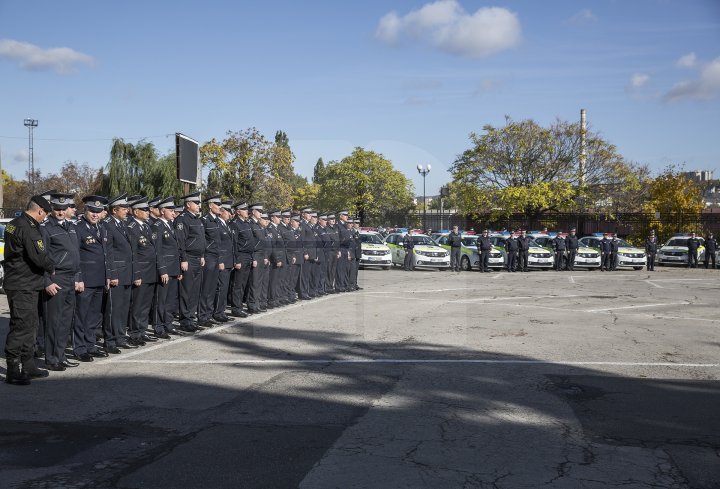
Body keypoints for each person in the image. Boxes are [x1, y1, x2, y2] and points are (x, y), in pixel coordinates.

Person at [3, 195, 55, 385]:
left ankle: (28, 365)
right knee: (21, 327)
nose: (45, 218)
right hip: (22, 284)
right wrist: (52, 266)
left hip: (24, 283)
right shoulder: (28, 227)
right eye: (45, 215)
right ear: (40, 210)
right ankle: (13, 370)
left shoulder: (14, 223)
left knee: (30, 325)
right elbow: (39, 257)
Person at [41, 192, 83, 371]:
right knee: (53, 321)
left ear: (67, 209)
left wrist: (78, 278)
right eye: (57, 208)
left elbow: (77, 255)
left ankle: (60, 355)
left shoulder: (71, 227)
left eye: (63, 208)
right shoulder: (45, 228)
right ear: (52, 209)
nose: (60, 212)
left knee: (66, 321)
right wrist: (47, 281)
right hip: (56, 279)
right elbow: (40, 258)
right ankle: (51, 359)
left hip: (70, 279)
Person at [73, 195, 112, 360]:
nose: (95, 214)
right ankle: (80, 349)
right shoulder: (78, 228)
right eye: (92, 211)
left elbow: (106, 255)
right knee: (81, 316)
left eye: (98, 211)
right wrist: (78, 277)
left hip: (99, 279)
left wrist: (108, 276)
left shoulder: (102, 228)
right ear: (85, 210)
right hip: (85, 280)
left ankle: (90, 345)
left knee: (94, 317)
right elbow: (75, 256)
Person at [103, 193, 136, 352]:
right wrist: (112, 274)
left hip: (127, 273)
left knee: (123, 308)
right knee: (113, 310)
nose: (127, 211)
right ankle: (110, 341)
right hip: (117, 273)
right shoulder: (107, 225)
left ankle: (120, 337)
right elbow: (108, 252)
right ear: (114, 210)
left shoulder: (122, 224)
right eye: (123, 208)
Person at [126, 197, 160, 346]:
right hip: (141, 272)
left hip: (150, 271)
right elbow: (133, 253)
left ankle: (142, 330)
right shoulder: (131, 227)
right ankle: (134, 332)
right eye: (144, 210)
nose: (147, 212)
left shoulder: (146, 226)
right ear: (135, 211)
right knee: (138, 304)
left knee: (146, 304)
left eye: (148, 209)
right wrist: (136, 274)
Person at [175, 192, 206, 331]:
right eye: (196, 203)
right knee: (186, 290)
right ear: (188, 204)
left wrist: (203, 255)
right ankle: (185, 320)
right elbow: (180, 242)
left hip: (198, 258)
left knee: (194, 290)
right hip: (188, 258)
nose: (199, 205)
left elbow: (200, 241)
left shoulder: (197, 219)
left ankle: (191, 318)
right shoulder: (183, 219)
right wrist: (183, 259)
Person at [153, 197, 183, 338]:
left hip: (173, 269)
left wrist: (177, 270)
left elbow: (176, 249)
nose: (173, 212)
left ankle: (168, 323)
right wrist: (162, 270)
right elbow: (158, 251)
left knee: (171, 300)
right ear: (163, 210)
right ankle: (159, 327)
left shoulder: (171, 225)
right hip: (165, 270)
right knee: (161, 300)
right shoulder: (157, 226)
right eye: (171, 210)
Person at [198, 195, 223, 327]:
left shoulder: (217, 221)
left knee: (212, 288)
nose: (220, 207)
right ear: (210, 206)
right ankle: (202, 316)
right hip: (208, 257)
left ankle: (208, 314)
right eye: (217, 204)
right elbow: (202, 240)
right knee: (206, 288)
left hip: (216, 257)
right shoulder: (204, 220)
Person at [228, 202, 253, 318]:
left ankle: (239, 306)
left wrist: (251, 257)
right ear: (238, 211)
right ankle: (236, 308)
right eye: (244, 209)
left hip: (248, 256)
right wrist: (236, 260)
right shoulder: (235, 224)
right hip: (241, 256)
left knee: (243, 283)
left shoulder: (246, 224)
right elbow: (234, 243)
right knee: (237, 284)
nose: (246, 211)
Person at [213, 201, 234, 322]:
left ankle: (221, 310)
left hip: (228, 261)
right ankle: (217, 312)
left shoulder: (226, 224)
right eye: (228, 212)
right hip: (222, 261)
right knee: (220, 287)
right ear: (221, 212)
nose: (230, 214)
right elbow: (218, 244)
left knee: (224, 287)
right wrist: (220, 260)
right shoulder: (218, 225)